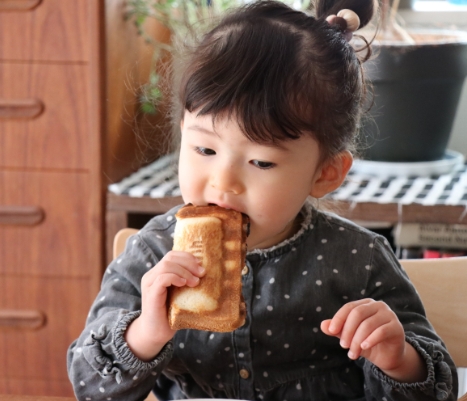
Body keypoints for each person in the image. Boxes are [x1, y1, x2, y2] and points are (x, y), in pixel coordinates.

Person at [67, 0, 457, 399]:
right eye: (204, 150)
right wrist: (145, 333)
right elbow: (88, 385)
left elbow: (437, 389)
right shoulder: (152, 255)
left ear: (325, 173)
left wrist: (398, 359)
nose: (224, 182)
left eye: (261, 161)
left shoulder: (360, 260)